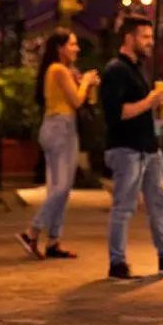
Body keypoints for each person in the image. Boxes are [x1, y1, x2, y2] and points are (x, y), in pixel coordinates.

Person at [99, 16, 163, 280]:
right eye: (145, 37)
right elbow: (115, 113)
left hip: (149, 148)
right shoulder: (115, 70)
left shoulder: (137, 68)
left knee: (158, 202)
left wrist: (155, 106)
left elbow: (141, 107)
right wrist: (150, 100)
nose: (150, 42)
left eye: (150, 37)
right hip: (127, 148)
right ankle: (117, 262)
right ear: (129, 38)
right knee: (124, 206)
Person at [18, 29, 100, 260]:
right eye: (72, 44)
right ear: (59, 48)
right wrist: (84, 81)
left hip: (60, 127)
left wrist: (89, 85)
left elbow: (86, 100)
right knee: (62, 187)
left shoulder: (65, 71)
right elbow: (76, 101)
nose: (77, 48)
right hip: (60, 128)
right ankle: (32, 231)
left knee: (60, 188)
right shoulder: (57, 69)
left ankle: (54, 241)